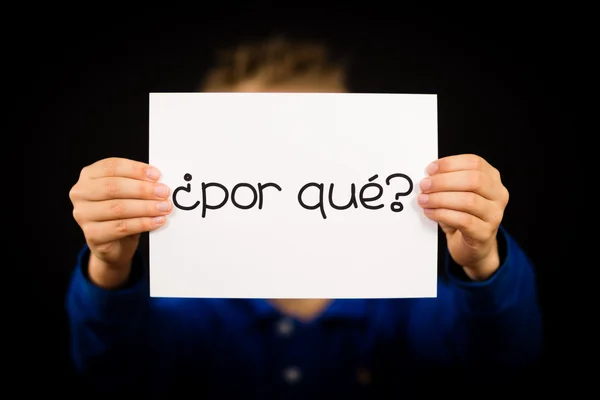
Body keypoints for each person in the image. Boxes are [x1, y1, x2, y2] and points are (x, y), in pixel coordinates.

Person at [66, 37, 542, 398]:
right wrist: (109, 265)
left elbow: (505, 356)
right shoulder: (185, 309)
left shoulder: (406, 300)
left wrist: (483, 258)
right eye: (254, 143)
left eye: (313, 142)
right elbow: (111, 367)